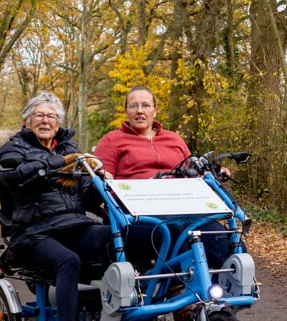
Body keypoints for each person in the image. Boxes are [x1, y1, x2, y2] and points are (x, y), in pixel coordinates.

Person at [0, 91, 111, 321]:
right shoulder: (12, 147)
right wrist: (56, 163)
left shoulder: (71, 148)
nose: (46, 120)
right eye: (40, 115)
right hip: (33, 232)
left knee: (119, 236)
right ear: (27, 120)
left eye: (51, 116)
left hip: (73, 225)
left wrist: (98, 180)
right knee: (68, 261)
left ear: (58, 123)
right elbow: (14, 177)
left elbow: (84, 193)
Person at [94, 86, 231, 269]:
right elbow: (102, 181)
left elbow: (194, 173)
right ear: (126, 111)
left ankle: (222, 287)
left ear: (155, 110)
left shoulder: (174, 139)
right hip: (138, 215)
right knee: (174, 231)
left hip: (183, 208)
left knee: (218, 234)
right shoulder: (113, 140)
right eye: (133, 106)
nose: (140, 111)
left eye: (145, 105)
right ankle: (182, 282)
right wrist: (104, 176)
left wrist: (215, 176)